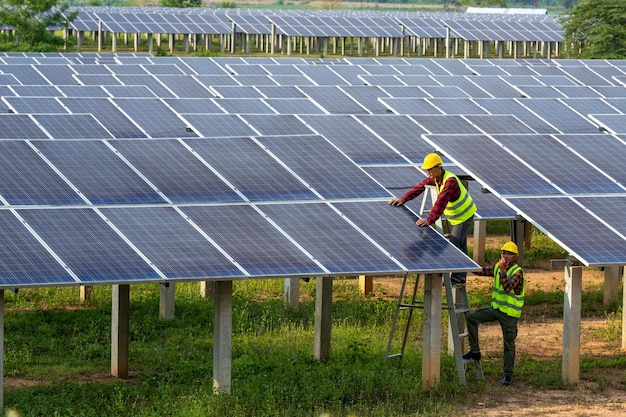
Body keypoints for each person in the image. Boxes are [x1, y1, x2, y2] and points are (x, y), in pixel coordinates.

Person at [388, 152, 476, 285]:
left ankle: (458, 278)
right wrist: (403, 199)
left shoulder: (450, 181)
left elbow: (441, 202)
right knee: (460, 244)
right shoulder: (436, 178)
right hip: (455, 217)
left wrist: (429, 220)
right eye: (426, 170)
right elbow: (419, 187)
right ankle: (459, 272)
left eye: (429, 169)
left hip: (464, 215)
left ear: (438, 167)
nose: (427, 172)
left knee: (455, 243)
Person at [463, 241, 525, 386]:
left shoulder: (517, 272)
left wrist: (502, 269)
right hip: (496, 309)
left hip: (509, 315)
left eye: (509, 253)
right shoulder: (498, 267)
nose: (505, 256)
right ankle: (475, 351)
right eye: (503, 252)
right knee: (472, 318)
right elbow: (482, 271)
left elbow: (508, 287)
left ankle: (507, 376)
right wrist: (466, 263)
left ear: (515, 256)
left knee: (508, 345)